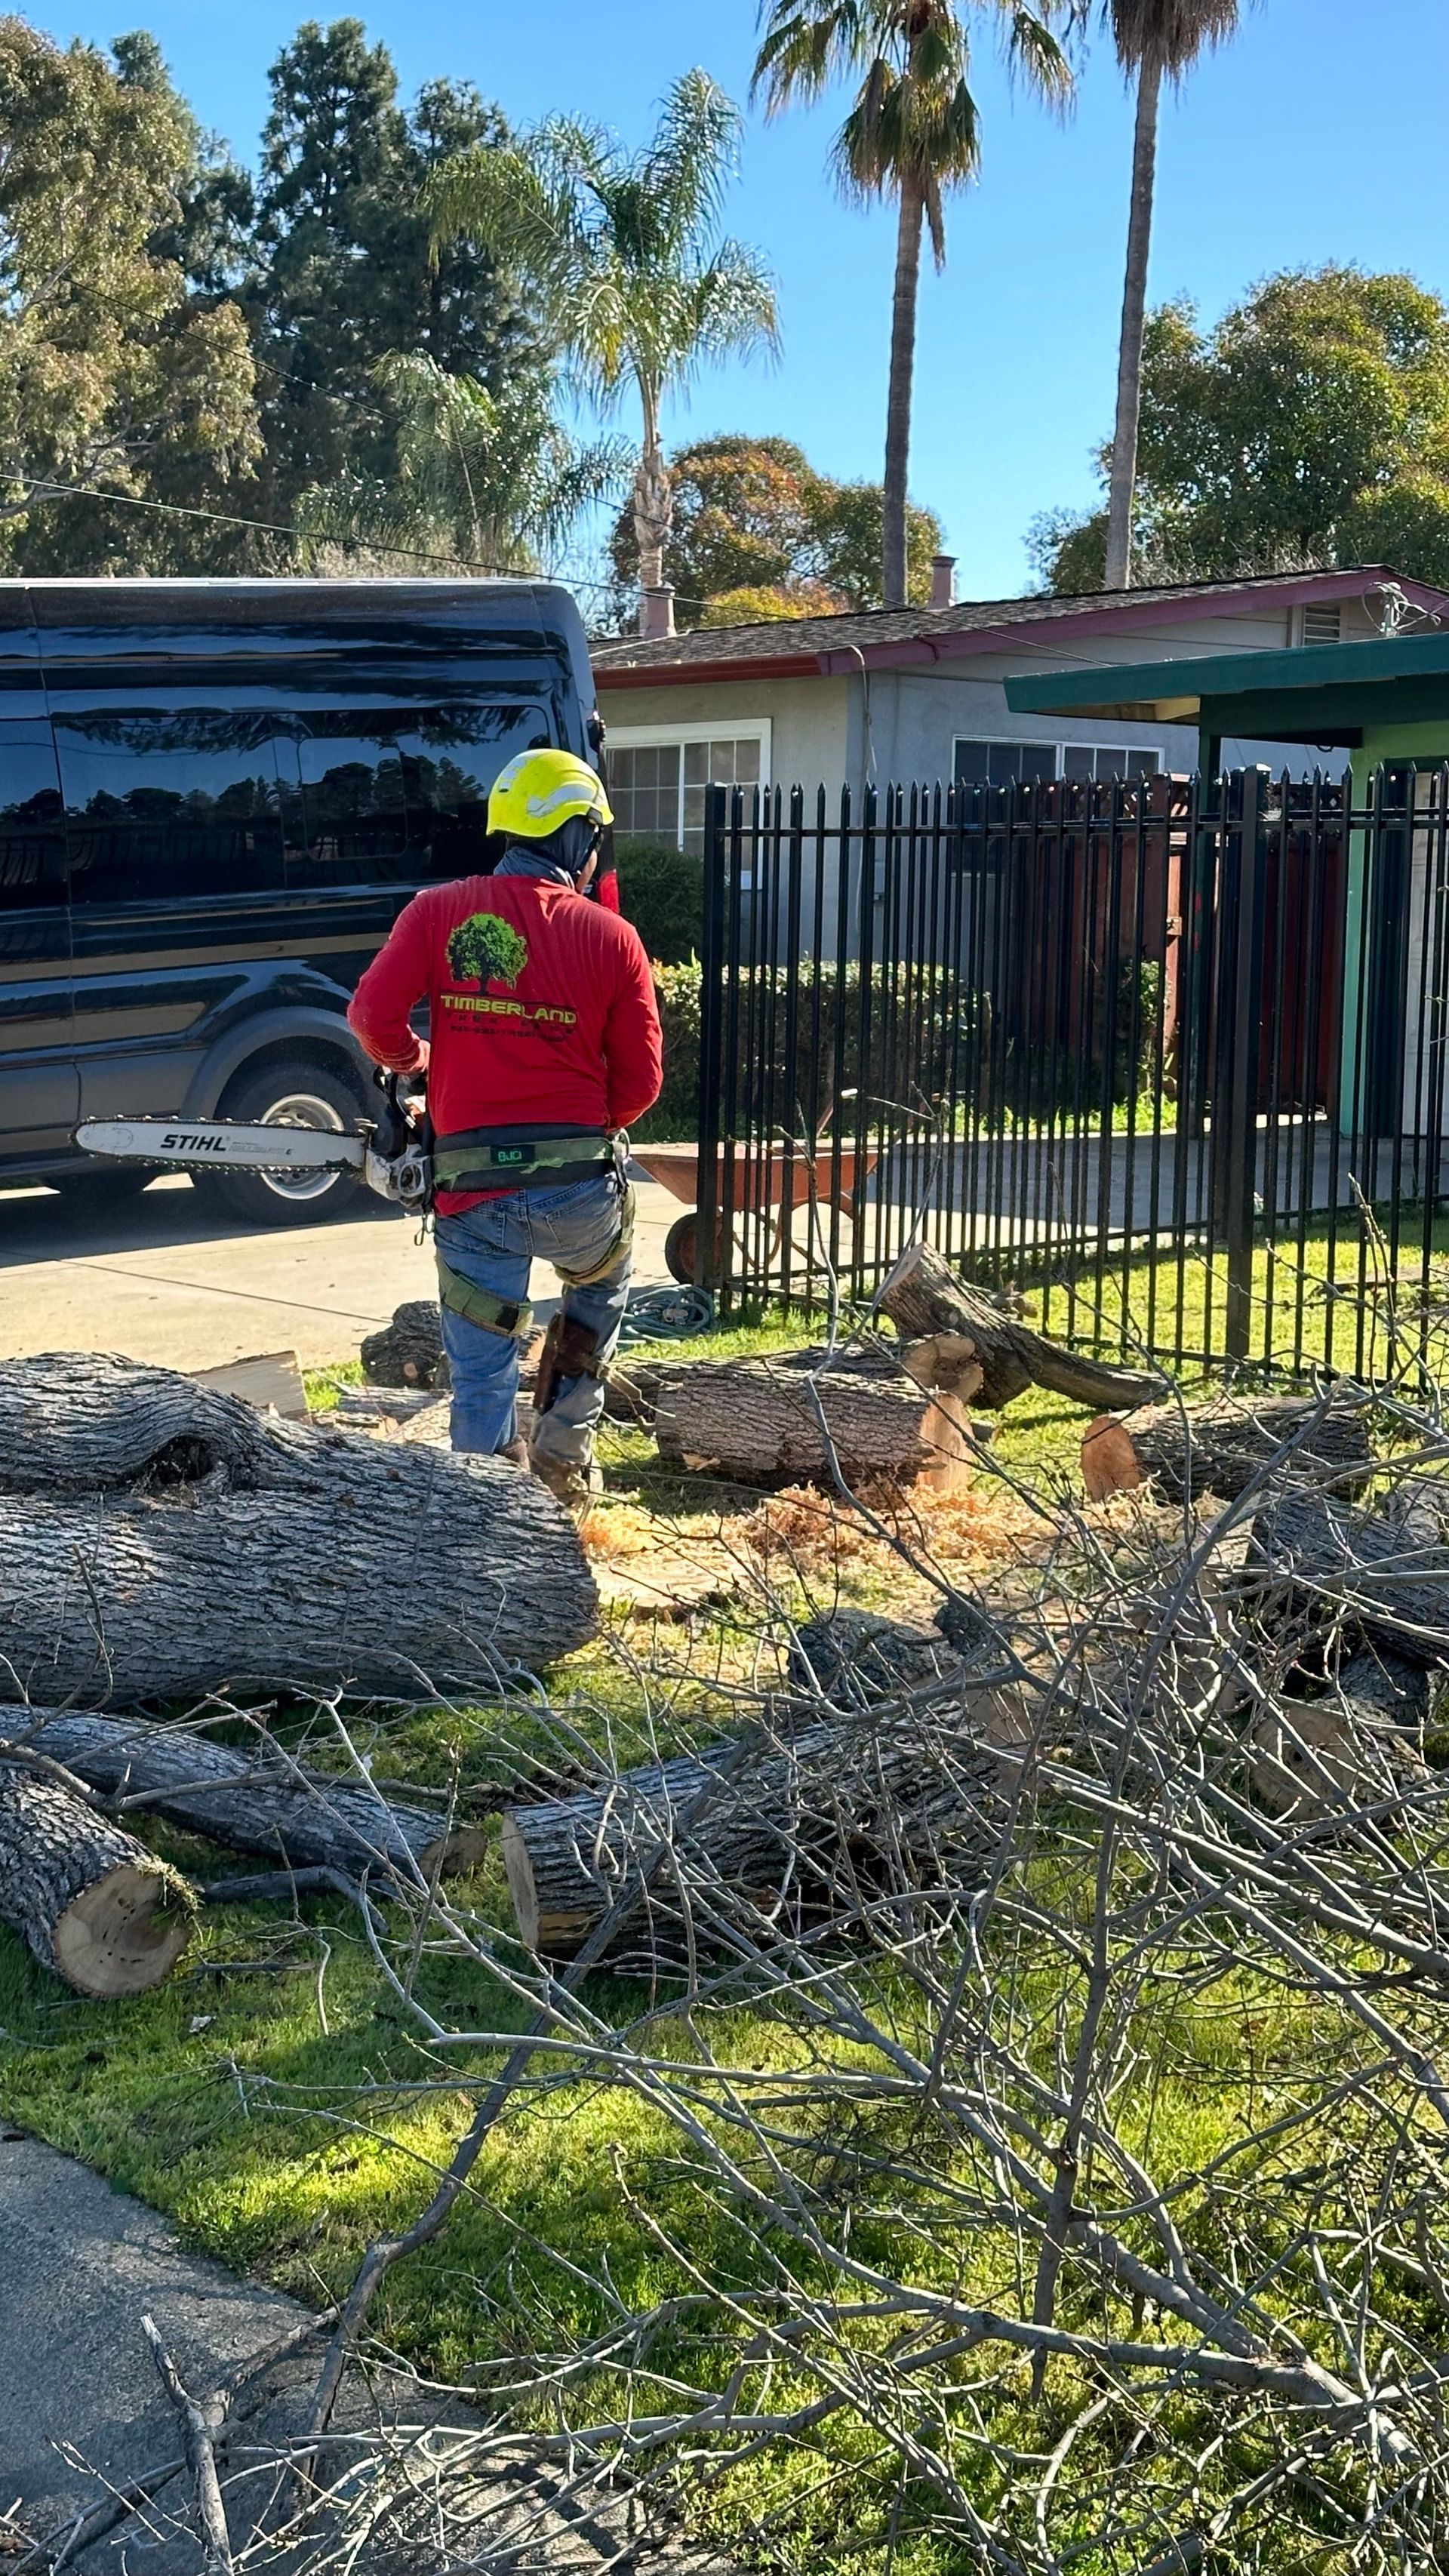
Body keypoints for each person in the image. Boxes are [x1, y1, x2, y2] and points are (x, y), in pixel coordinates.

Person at [347, 748, 663, 1503]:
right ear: (575, 838)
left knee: (483, 1364)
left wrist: (417, 1061)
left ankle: (486, 1507)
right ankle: (562, 1453)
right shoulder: (614, 937)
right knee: (599, 1285)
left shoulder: (437, 910)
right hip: (579, 1196)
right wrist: (586, 1125)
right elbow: (642, 1083)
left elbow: (370, 1017)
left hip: (474, 1195)